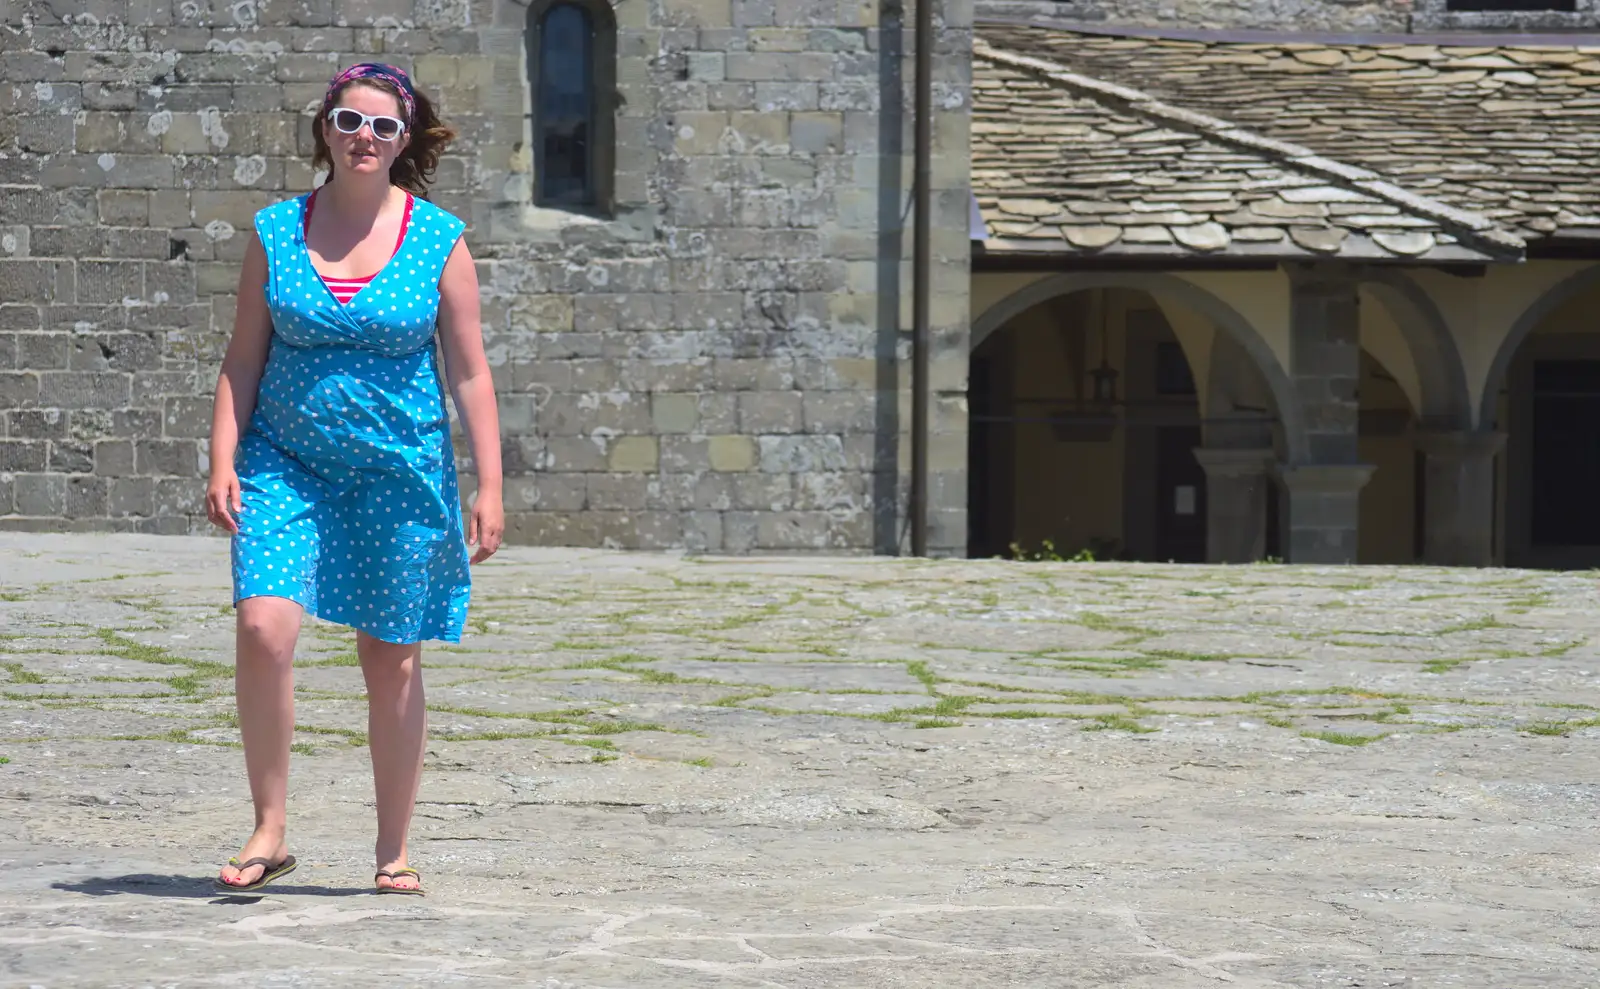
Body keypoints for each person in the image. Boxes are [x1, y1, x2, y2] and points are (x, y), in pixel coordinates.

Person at [204, 62, 503, 896]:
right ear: (323, 130)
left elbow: (472, 374)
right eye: (348, 121)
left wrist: (490, 485)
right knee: (263, 628)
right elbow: (242, 356)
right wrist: (223, 455)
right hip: (284, 462)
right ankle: (269, 827)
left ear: (404, 141)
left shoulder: (439, 240)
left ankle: (392, 848)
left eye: (382, 127)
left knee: (391, 660)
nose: (363, 138)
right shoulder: (273, 232)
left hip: (398, 471)